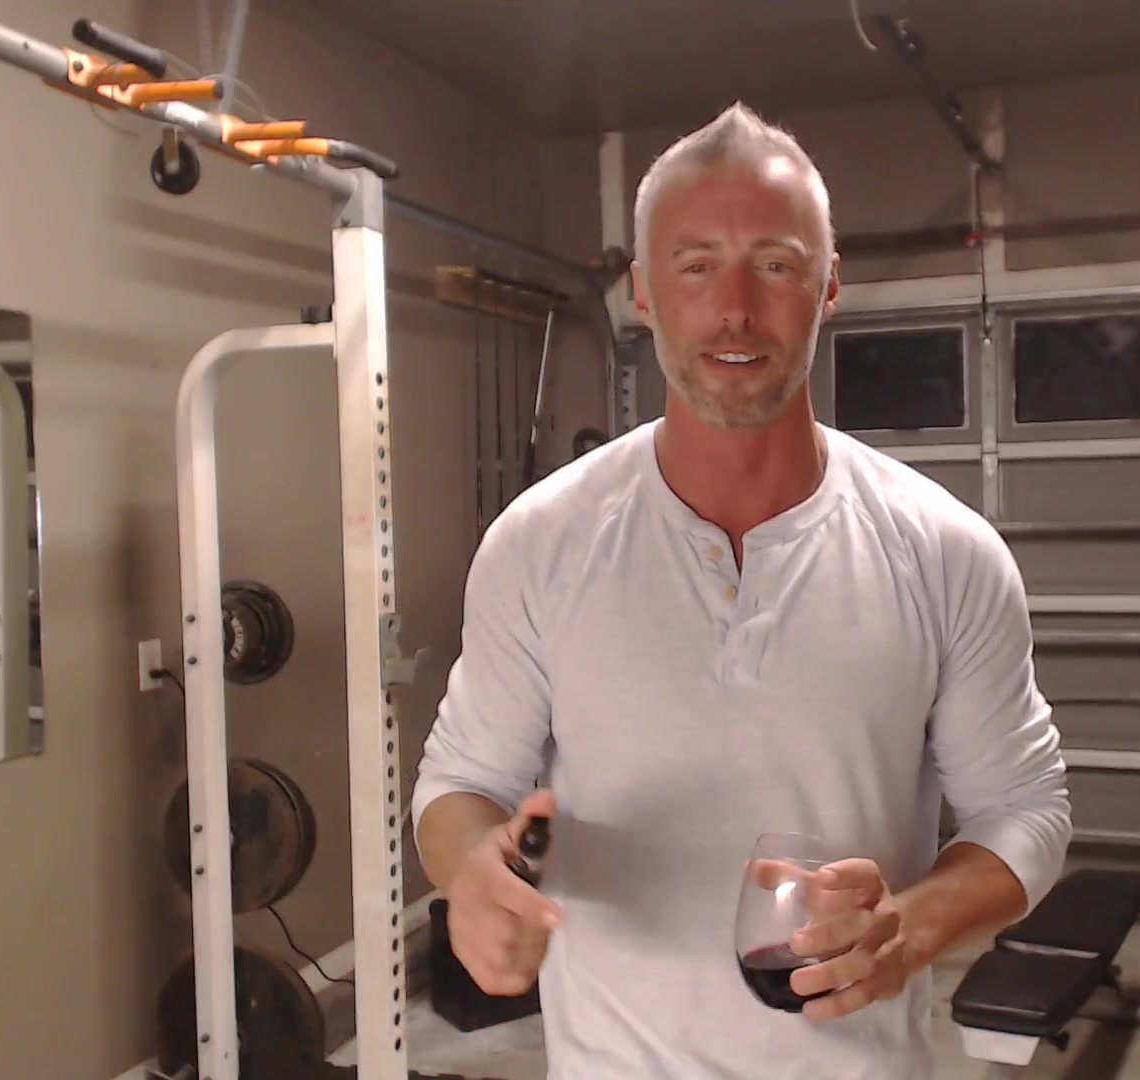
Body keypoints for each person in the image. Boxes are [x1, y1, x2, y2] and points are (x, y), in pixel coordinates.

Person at [410, 101, 1070, 1079]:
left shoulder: (945, 552)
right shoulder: (539, 543)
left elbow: (1024, 809)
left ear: (828, 284)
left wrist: (912, 924)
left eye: (774, 264)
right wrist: (472, 873)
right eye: (695, 266)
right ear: (642, 290)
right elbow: (459, 785)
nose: (734, 308)